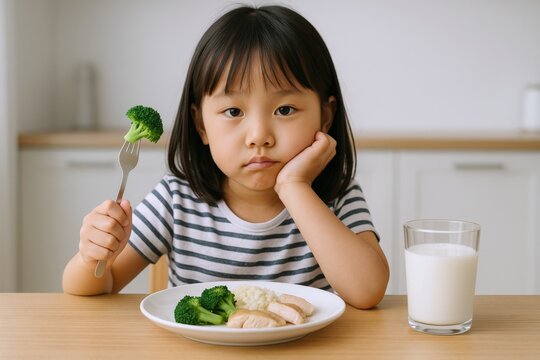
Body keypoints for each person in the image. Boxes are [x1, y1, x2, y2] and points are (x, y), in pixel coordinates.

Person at [63, 5, 389, 309]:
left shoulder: (336, 195)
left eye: (284, 109)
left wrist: (295, 186)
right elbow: (96, 286)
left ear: (325, 116)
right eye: (233, 111)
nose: (259, 135)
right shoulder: (177, 199)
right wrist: (91, 258)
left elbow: (368, 290)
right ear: (201, 124)